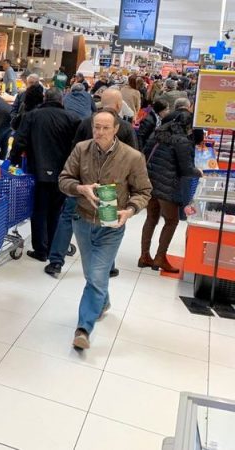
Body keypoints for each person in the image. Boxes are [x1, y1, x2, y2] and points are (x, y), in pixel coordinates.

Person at [59, 109, 152, 350]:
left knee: (97, 275)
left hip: (111, 224)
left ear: (116, 130)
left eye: (105, 128)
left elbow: (144, 192)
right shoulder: (81, 149)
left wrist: (130, 210)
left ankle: (83, 329)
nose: (99, 132)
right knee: (94, 275)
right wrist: (81, 189)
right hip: (82, 220)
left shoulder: (132, 157)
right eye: (96, 127)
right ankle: (103, 302)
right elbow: (64, 179)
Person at [45, 89, 138, 277]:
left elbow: (74, 150)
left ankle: (56, 262)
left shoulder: (86, 122)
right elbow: (133, 161)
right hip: (108, 187)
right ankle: (108, 265)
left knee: (67, 218)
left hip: (81, 184)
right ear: (119, 105)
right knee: (108, 222)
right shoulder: (125, 128)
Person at [11, 88, 81, 261]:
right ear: (61, 100)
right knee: (56, 211)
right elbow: (78, 146)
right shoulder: (72, 118)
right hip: (63, 173)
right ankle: (53, 247)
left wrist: (13, 161)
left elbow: (20, 141)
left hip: (37, 170)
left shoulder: (32, 116)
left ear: (45, 98)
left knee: (39, 210)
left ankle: (41, 250)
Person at [139, 111, 201, 273]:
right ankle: (160, 257)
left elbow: (144, 154)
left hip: (150, 182)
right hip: (168, 186)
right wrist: (199, 172)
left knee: (151, 218)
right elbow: (187, 169)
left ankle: (144, 256)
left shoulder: (158, 133)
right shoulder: (182, 141)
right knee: (171, 221)